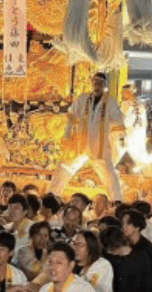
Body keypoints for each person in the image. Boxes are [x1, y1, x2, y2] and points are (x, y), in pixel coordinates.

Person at [49, 73, 125, 201]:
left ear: (104, 86)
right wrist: (67, 134)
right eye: (95, 82)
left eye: (100, 83)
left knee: (108, 173)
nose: (97, 85)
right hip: (80, 142)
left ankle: (116, 200)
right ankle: (52, 195)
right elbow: (72, 116)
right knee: (65, 166)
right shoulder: (83, 98)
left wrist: (119, 141)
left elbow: (118, 123)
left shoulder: (110, 102)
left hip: (99, 144)